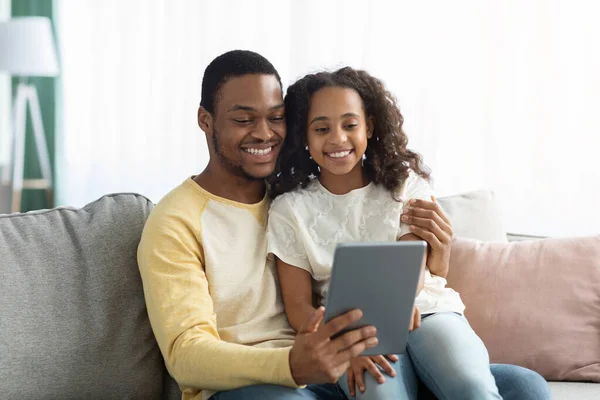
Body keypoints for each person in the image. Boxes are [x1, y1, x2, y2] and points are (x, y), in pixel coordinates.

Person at [138, 50, 551, 400]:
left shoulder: (282, 195)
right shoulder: (177, 221)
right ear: (206, 120)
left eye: (275, 117)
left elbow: (403, 270)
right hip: (268, 378)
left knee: (526, 387)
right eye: (243, 119)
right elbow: (186, 356)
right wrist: (293, 362)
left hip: (347, 350)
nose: (263, 133)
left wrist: (436, 263)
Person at [266, 67, 552, 400]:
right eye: (321, 128)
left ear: (369, 126)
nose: (337, 139)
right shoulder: (289, 210)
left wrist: (393, 307)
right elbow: (299, 307)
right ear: (304, 135)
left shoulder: (405, 184)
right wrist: (344, 343)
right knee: (380, 395)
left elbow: (413, 269)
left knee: (471, 386)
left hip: (426, 311)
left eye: (350, 124)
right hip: (350, 334)